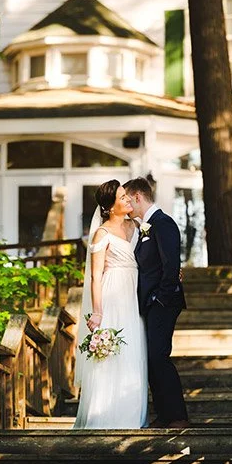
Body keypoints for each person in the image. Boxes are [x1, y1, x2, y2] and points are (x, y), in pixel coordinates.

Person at [73, 180, 148, 429]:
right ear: (109, 207)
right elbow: (96, 275)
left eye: (127, 196)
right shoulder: (102, 234)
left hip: (133, 294)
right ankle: (104, 415)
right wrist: (97, 311)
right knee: (110, 355)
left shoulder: (137, 227)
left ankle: (131, 415)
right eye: (122, 197)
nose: (128, 200)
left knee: (133, 352)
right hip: (112, 295)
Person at [123, 177, 190, 429]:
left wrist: (160, 298)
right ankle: (164, 415)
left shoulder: (163, 223)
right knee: (152, 358)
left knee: (159, 357)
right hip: (150, 303)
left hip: (163, 302)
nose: (128, 205)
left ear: (138, 197)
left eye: (129, 200)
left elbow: (171, 264)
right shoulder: (145, 227)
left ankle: (177, 417)